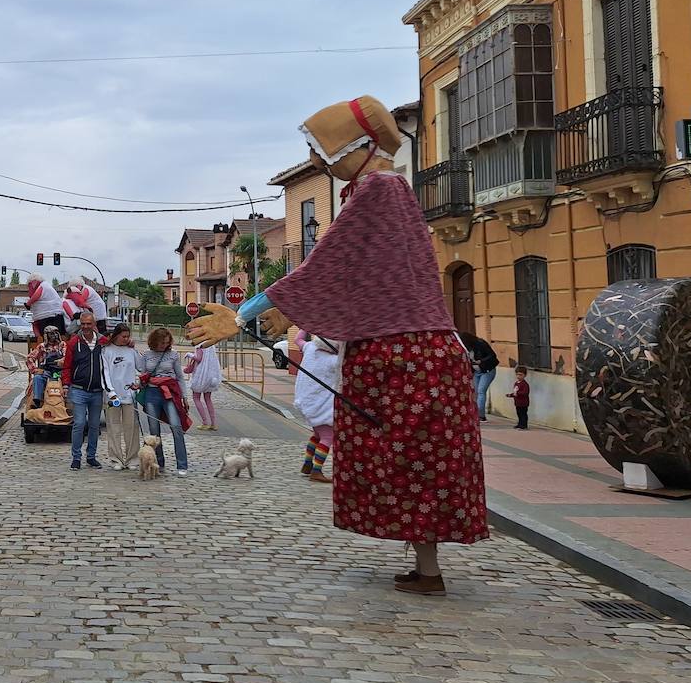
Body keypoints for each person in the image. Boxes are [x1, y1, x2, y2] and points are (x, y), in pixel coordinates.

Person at [189, 95, 488, 597]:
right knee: (413, 463)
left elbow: (322, 267)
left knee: (410, 463)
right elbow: (353, 276)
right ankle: (427, 568)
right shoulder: (388, 193)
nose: (319, 164)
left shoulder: (377, 191)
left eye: (326, 153)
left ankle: (429, 571)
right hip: (415, 355)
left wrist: (242, 314)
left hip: (403, 359)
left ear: (361, 145)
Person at [138, 328, 189, 476]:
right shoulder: (147, 355)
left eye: (167, 343)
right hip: (152, 393)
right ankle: (158, 462)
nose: (164, 345)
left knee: (176, 426)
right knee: (154, 431)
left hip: (169, 393)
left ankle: (182, 464)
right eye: (161, 343)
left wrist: (184, 396)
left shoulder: (172, 355)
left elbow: (180, 377)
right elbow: (143, 374)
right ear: (154, 341)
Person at [61, 310, 107, 470]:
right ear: (80, 324)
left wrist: (128, 343)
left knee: (94, 425)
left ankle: (91, 456)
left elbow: (117, 347)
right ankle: (76, 457)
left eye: (89, 323)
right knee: (79, 423)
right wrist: (66, 385)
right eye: (83, 324)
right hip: (79, 389)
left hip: (97, 390)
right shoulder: (74, 342)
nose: (86, 327)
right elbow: (67, 366)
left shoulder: (103, 342)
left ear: (94, 324)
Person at [294, 335, 340, 483]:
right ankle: (316, 470)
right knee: (327, 437)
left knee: (317, 435)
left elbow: (297, 340)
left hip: (306, 401)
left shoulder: (310, 348)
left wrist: (305, 325)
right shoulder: (334, 361)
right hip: (321, 405)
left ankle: (307, 464)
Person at [101, 323, 141, 471]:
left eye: (127, 336)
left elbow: (141, 366)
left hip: (129, 395)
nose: (126, 339)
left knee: (131, 428)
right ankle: (115, 459)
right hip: (113, 397)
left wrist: (134, 348)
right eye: (123, 336)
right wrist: (111, 393)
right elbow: (104, 373)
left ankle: (132, 459)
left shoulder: (130, 351)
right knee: (114, 428)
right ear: (116, 335)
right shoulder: (106, 351)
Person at [460, 331, 499, 421]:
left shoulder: (480, 344)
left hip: (487, 370)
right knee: (475, 392)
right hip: (476, 372)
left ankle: (480, 415)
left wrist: (481, 361)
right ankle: (475, 413)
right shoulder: (466, 348)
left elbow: (492, 355)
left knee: (481, 391)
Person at [184, 344, 221, 430]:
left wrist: (190, 355)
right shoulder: (211, 345)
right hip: (210, 376)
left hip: (200, 375)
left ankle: (205, 422)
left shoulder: (200, 345)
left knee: (196, 398)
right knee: (208, 399)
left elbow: (199, 358)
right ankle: (213, 423)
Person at [28, 326, 66, 408]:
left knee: (69, 382)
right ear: (46, 335)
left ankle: (67, 404)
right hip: (46, 372)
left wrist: (62, 360)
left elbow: (67, 357)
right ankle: (37, 400)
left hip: (60, 372)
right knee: (37, 378)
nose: (54, 335)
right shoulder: (41, 346)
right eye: (51, 333)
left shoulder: (62, 345)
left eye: (56, 333)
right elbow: (29, 358)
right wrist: (35, 370)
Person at [511, 366, 531, 430]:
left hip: (523, 402)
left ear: (525, 375)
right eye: (517, 374)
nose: (518, 376)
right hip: (517, 402)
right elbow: (515, 392)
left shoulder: (525, 384)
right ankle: (519, 424)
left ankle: (524, 425)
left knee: (523, 414)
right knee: (519, 413)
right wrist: (511, 395)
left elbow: (525, 393)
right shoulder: (516, 383)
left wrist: (517, 393)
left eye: (520, 375)